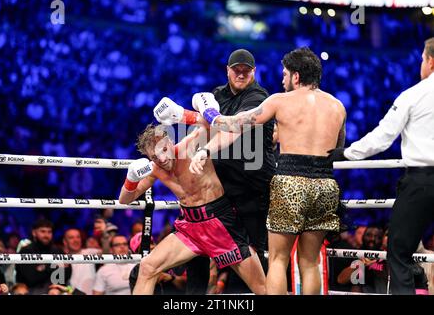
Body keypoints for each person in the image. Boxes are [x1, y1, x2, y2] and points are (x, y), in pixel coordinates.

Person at [189, 47, 346, 295]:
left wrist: (212, 115)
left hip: (291, 182)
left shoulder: (278, 100)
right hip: (325, 184)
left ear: (296, 76)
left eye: (285, 74)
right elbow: (338, 148)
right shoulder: (338, 106)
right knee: (310, 262)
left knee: (277, 260)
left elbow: (237, 124)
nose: (282, 80)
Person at [153, 48, 275, 293]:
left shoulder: (259, 97)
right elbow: (203, 114)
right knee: (200, 241)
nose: (240, 74)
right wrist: (173, 145)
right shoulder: (219, 94)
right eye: (236, 70)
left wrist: (206, 148)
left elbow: (234, 129)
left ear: (253, 72)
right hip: (222, 189)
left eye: (246, 70)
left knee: (249, 253)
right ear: (227, 70)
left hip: (252, 189)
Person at [328, 37, 434, 295]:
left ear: (430, 61)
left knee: (398, 251)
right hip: (420, 182)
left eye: (422, 58)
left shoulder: (415, 94)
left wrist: (347, 154)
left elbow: (383, 137)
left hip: (422, 182)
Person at [118, 124, 266, 295]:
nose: (162, 159)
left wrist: (185, 114)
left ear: (170, 141)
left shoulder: (190, 145)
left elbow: (220, 126)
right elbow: (125, 199)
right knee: (147, 266)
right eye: (155, 156)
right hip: (190, 227)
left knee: (262, 288)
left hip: (221, 224)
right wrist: (131, 179)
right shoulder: (155, 169)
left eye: (164, 150)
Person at [15, 219, 71, 295]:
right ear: (34, 233)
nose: (46, 235)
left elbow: (66, 273)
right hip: (31, 291)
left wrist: (43, 268)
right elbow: (30, 278)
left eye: (49, 232)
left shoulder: (57, 251)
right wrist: (53, 266)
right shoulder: (26, 251)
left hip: (55, 290)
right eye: (43, 231)